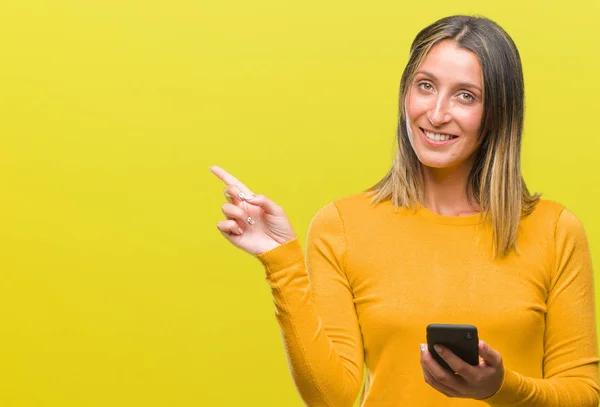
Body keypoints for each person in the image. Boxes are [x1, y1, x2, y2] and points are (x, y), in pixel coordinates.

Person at [210, 15, 600, 406]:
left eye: (466, 95)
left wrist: (501, 388)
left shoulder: (554, 231)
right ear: (405, 94)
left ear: (498, 112)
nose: (436, 113)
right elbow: (333, 398)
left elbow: (584, 394)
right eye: (426, 86)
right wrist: (281, 261)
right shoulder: (342, 226)